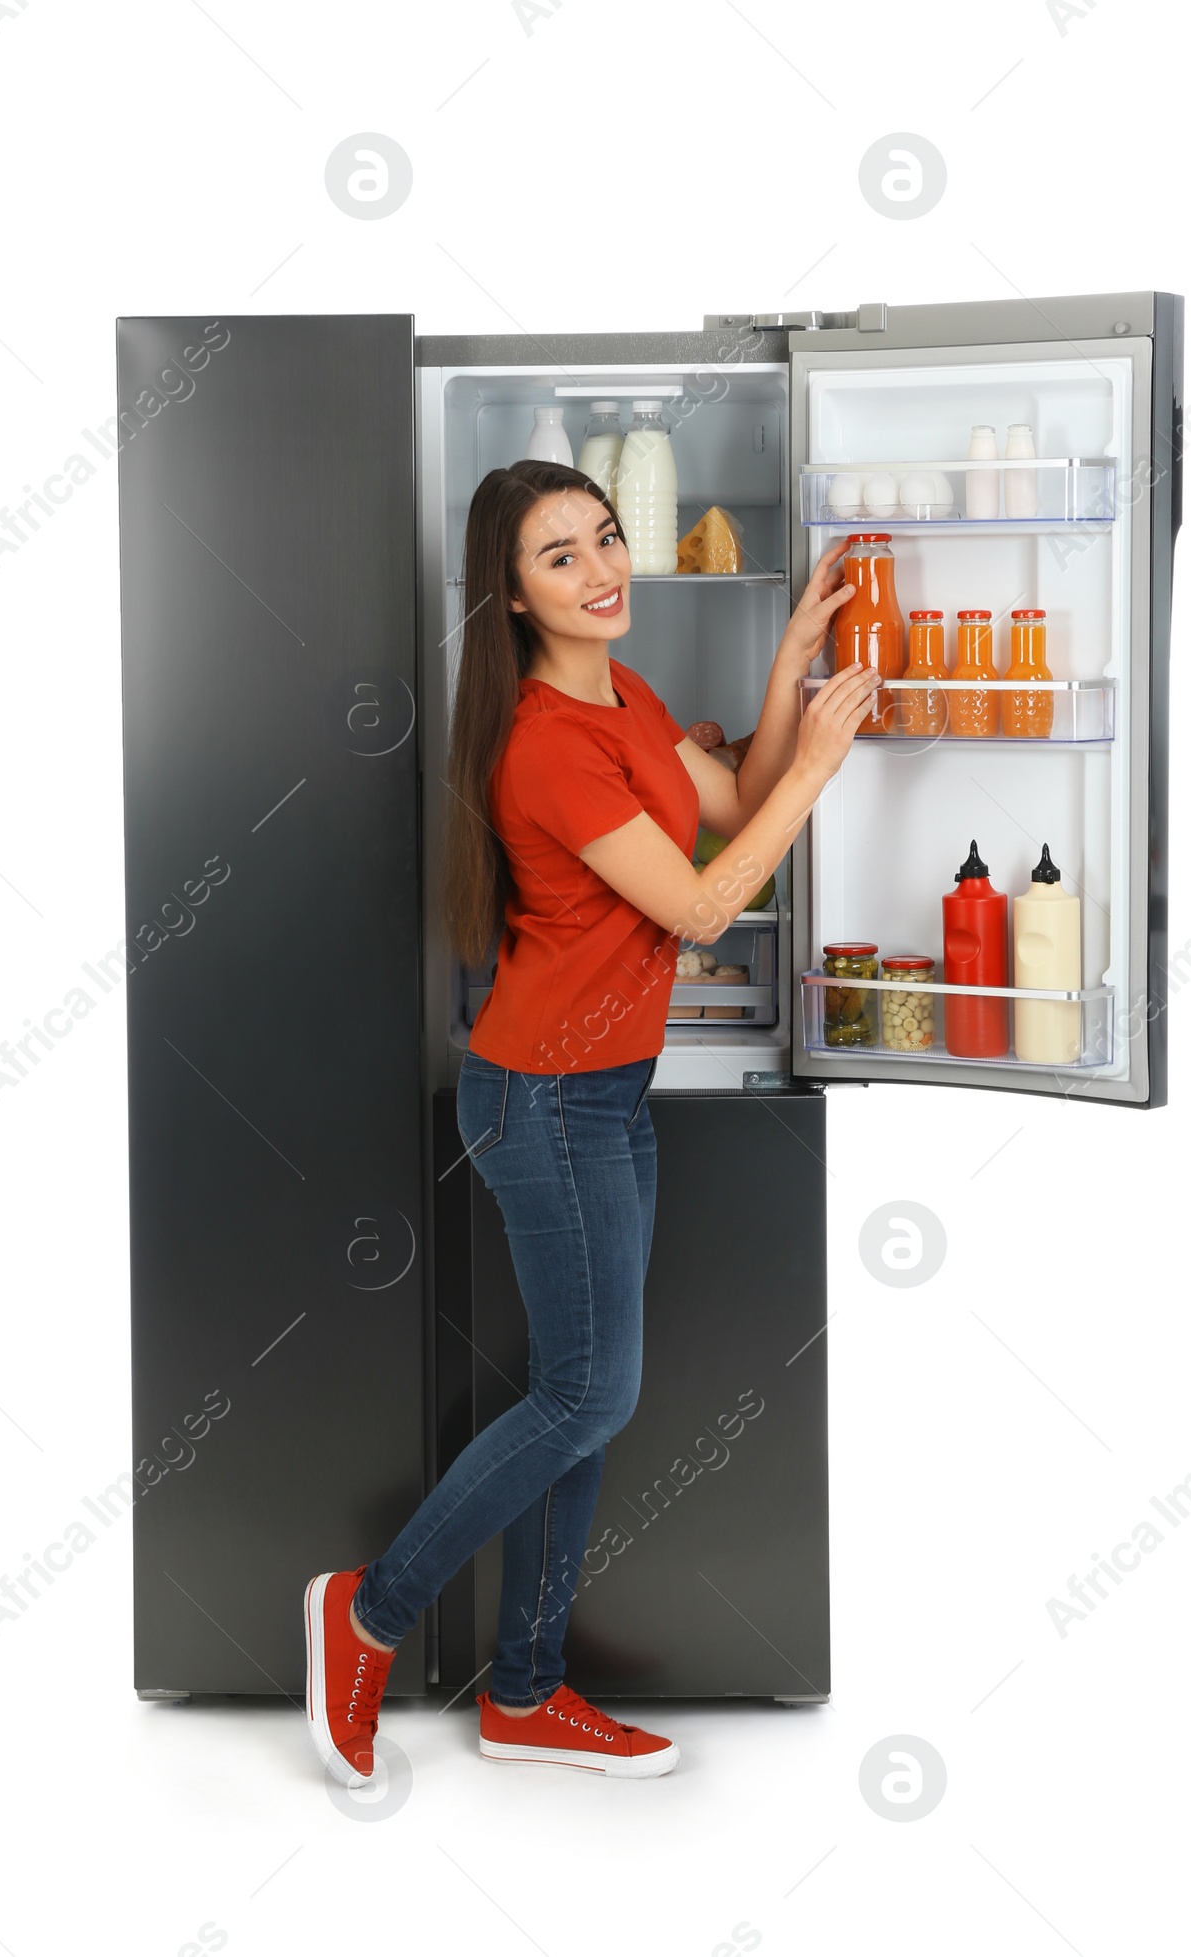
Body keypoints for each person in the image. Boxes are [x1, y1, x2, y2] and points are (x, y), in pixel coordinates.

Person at [305, 459, 878, 1782]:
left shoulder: (622, 693)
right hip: (542, 1101)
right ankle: (369, 1610)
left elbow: (730, 803)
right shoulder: (544, 750)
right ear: (510, 597)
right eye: (561, 556)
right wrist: (823, 766)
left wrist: (795, 659)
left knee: (585, 1400)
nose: (603, 567)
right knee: (589, 1388)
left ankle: (524, 1691)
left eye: (607, 537)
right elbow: (696, 903)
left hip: (604, 1093)